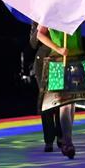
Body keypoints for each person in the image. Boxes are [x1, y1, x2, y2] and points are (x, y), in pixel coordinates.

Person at [36, 9, 85, 159]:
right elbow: (40, 34)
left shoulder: (74, 9)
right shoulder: (49, 12)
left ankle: (67, 139)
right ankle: (67, 141)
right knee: (64, 102)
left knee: (71, 103)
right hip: (58, 62)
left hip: (76, 59)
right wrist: (58, 48)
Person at [29, 20, 63, 152]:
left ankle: (61, 136)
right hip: (43, 61)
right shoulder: (38, 17)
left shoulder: (61, 14)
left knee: (60, 99)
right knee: (46, 101)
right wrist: (41, 27)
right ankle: (49, 140)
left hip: (59, 59)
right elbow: (33, 43)